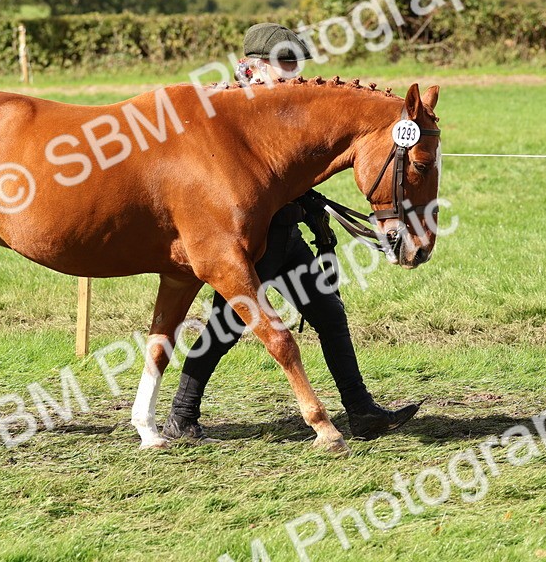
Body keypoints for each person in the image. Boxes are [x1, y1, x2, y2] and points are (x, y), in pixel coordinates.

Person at [161, 23, 420, 441]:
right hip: (249, 245)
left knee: (329, 315)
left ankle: (362, 411)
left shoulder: (285, 108)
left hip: (284, 233)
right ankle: (180, 416)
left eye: (296, 64)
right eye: (284, 64)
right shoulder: (230, 108)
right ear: (253, 67)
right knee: (224, 328)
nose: (293, 74)